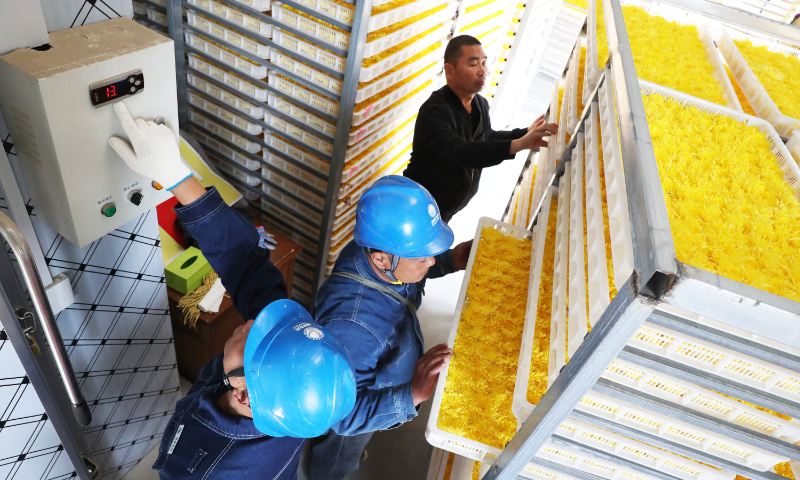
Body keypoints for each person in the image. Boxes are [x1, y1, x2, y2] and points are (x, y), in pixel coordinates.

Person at [107, 102, 357, 479]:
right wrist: (176, 175)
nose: (254, 320)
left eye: (255, 338)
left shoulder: (206, 469)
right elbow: (245, 262)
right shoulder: (287, 396)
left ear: (242, 392)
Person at [309, 175, 471, 480]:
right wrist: (410, 395)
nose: (431, 260)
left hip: (375, 373)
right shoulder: (354, 327)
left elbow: (409, 270)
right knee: (342, 447)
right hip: (358, 403)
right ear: (382, 258)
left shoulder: (373, 253)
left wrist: (450, 260)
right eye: (424, 257)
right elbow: (344, 416)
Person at [404, 35, 559, 222]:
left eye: (484, 63)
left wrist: (525, 134)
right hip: (416, 206)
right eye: (473, 64)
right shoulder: (434, 112)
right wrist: (516, 145)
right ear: (449, 71)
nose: (483, 71)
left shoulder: (480, 104)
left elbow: (485, 137)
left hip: (442, 213)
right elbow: (460, 152)